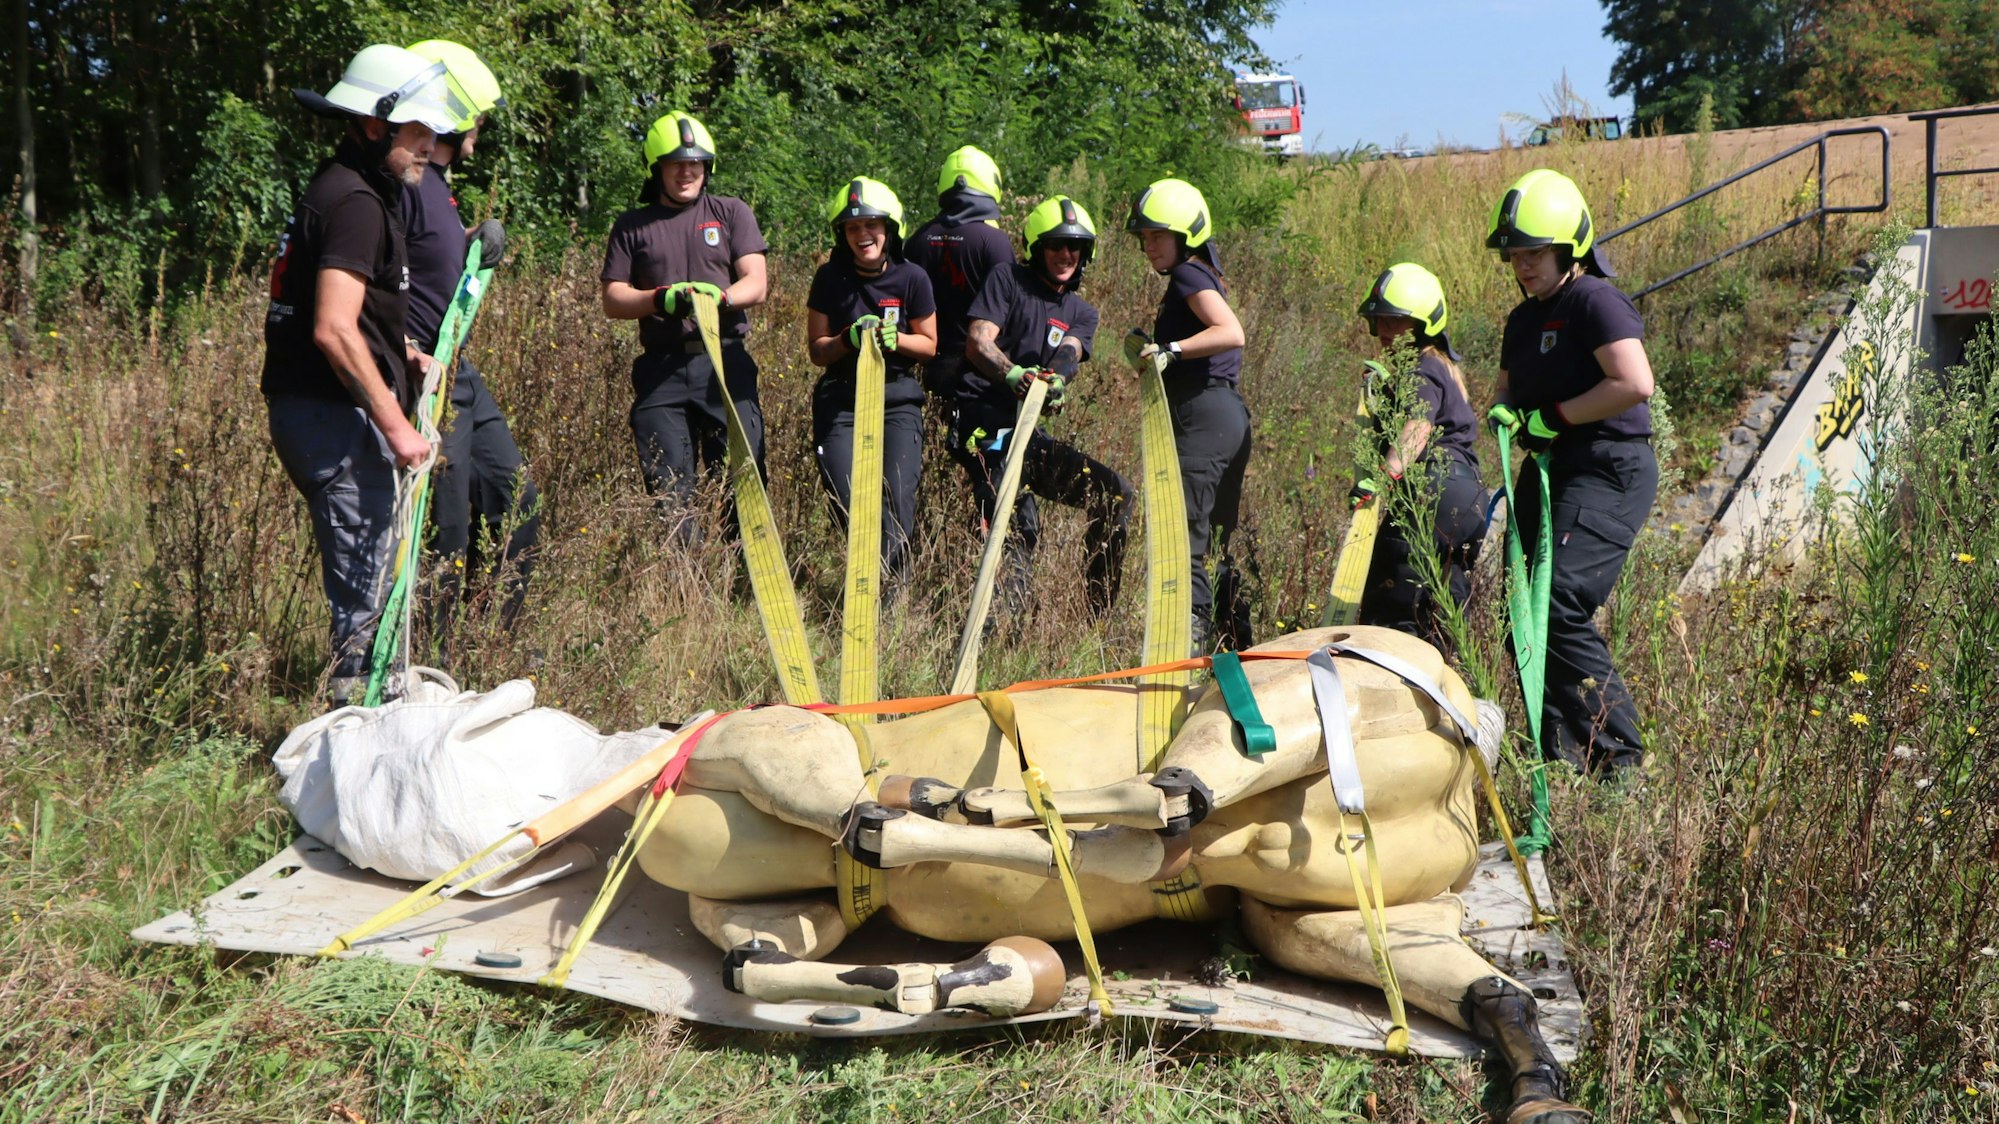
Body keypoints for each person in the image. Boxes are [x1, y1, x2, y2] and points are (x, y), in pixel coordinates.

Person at [265, 45, 460, 704]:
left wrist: (397, 349)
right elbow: (332, 328)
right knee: (366, 608)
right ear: (374, 124)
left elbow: (350, 314)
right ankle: (357, 754)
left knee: (373, 589)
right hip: (332, 417)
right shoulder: (354, 200)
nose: (430, 148)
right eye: (418, 133)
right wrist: (399, 426)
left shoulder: (353, 187)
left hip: (330, 411)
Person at [1486, 168, 1657, 780]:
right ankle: (1560, 756)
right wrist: (1504, 408)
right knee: (1519, 612)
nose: (1523, 264)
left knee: (1555, 603)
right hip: (1550, 472)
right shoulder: (1523, 318)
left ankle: (1620, 760)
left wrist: (1555, 416)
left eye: (1534, 251)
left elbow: (1634, 383)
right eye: (1515, 254)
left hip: (1607, 468)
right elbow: (1507, 388)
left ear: (1569, 247)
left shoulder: (1594, 300)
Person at [400, 39, 539, 653]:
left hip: (460, 372)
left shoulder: (434, 181)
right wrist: (404, 349)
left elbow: (428, 254)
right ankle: (437, 657)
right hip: (421, 376)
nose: (477, 141)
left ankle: (494, 641)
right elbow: (373, 274)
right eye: (475, 126)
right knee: (445, 526)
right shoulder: (403, 180)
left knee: (517, 499)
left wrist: (471, 236)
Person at [954, 194, 1133, 619]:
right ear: (1037, 248)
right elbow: (979, 341)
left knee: (1115, 494)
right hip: (984, 427)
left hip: (1029, 434)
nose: (1065, 254)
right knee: (1018, 528)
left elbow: (1068, 353)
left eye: (1074, 246)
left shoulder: (1082, 311)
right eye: (1055, 245)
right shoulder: (1007, 280)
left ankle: (1097, 620)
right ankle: (999, 630)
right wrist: (1012, 373)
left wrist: (1057, 381)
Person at [600, 111, 770, 545]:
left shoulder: (731, 213)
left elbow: (757, 281)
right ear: (656, 169)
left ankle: (745, 582)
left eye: (695, 163)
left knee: (742, 477)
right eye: (676, 163)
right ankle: (684, 589)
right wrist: (659, 298)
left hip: (726, 364)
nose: (686, 171)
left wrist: (722, 298)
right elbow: (613, 298)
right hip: (662, 370)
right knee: (669, 487)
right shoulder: (633, 226)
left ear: (707, 167)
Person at [1125, 178, 1254, 653]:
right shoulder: (1200, 275)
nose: (1148, 245)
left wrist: (1172, 350)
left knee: (1185, 533)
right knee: (1217, 538)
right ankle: (1237, 643)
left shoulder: (1187, 276)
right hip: (1226, 415)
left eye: (1157, 235)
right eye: (1144, 237)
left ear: (1185, 236)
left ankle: (1191, 641)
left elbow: (1230, 332)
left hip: (1204, 414)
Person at [805, 177, 938, 584]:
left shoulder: (912, 277)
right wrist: (848, 339)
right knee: (850, 500)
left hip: (897, 399)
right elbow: (817, 350)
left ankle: (893, 596)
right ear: (842, 234)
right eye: (852, 227)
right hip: (841, 401)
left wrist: (895, 339)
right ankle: (864, 584)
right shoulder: (829, 278)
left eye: (871, 225)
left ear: (890, 228)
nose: (863, 235)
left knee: (898, 498)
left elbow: (930, 345)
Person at [1348, 262, 1485, 648]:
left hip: (1432, 488)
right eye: (1383, 322)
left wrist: (1378, 480)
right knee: (1441, 617)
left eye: (1397, 322)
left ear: (1423, 325)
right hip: (1469, 500)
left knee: (1393, 613)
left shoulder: (1421, 370)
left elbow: (1418, 428)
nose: (1387, 332)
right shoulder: (1442, 368)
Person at [905, 146, 1016, 397]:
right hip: (981, 378)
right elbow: (1011, 310)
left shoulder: (917, 240)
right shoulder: (995, 242)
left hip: (925, 371)